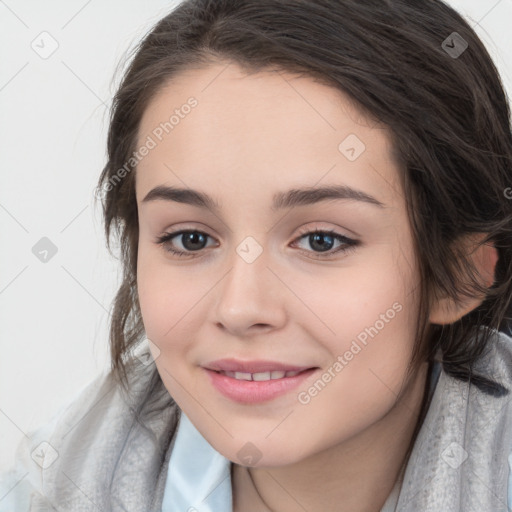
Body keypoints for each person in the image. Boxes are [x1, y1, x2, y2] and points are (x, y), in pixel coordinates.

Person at [2, 0, 512, 510]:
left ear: (457, 274)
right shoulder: (52, 484)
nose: (240, 308)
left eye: (321, 240)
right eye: (191, 239)